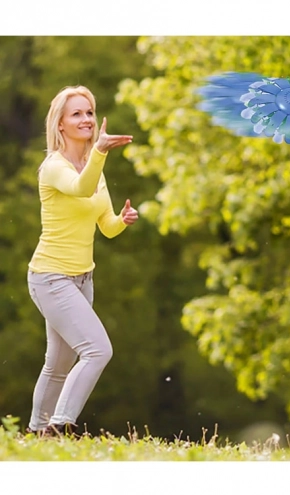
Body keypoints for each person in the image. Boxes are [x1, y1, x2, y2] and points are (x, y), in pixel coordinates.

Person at [25, 85, 138, 437]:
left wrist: (122, 220)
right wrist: (100, 153)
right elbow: (80, 188)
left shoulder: (94, 168)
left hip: (82, 279)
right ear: (60, 124)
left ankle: (33, 434)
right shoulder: (53, 168)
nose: (86, 119)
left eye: (89, 112)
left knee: (59, 365)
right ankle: (57, 428)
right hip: (50, 277)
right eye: (77, 113)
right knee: (97, 350)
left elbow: (105, 227)